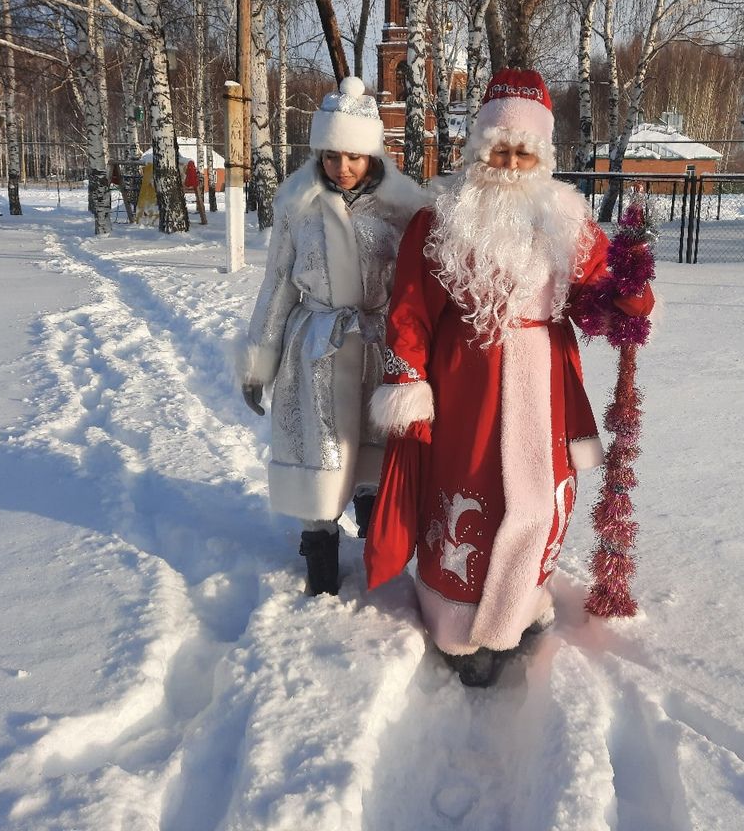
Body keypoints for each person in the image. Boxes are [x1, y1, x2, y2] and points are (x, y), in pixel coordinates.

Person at [364, 68, 655, 686]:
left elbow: (598, 294)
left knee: (539, 496)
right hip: (464, 382)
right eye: (500, 147)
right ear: (478, 149)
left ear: (543, 155)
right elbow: (409, 310)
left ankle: (519, 608)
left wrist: (629, 296)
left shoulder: (566, 219)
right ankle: (455, 627)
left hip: (544, 381)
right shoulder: (441, 219)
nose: (511, 160)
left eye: (525, 150)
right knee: (471, 489)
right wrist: (409, 382)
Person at [237, 77, 433, 595]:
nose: (341, 168)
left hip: (376, 348)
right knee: (318, 453)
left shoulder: (402, 212)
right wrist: (259, 361)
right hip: (314, 351)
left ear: (371, 154)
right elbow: (277, 285)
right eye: (330, 156)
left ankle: (376, 543)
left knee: (371, 453)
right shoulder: (297, 208)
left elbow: (416, 290)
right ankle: (319, 547)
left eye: (353, 156)